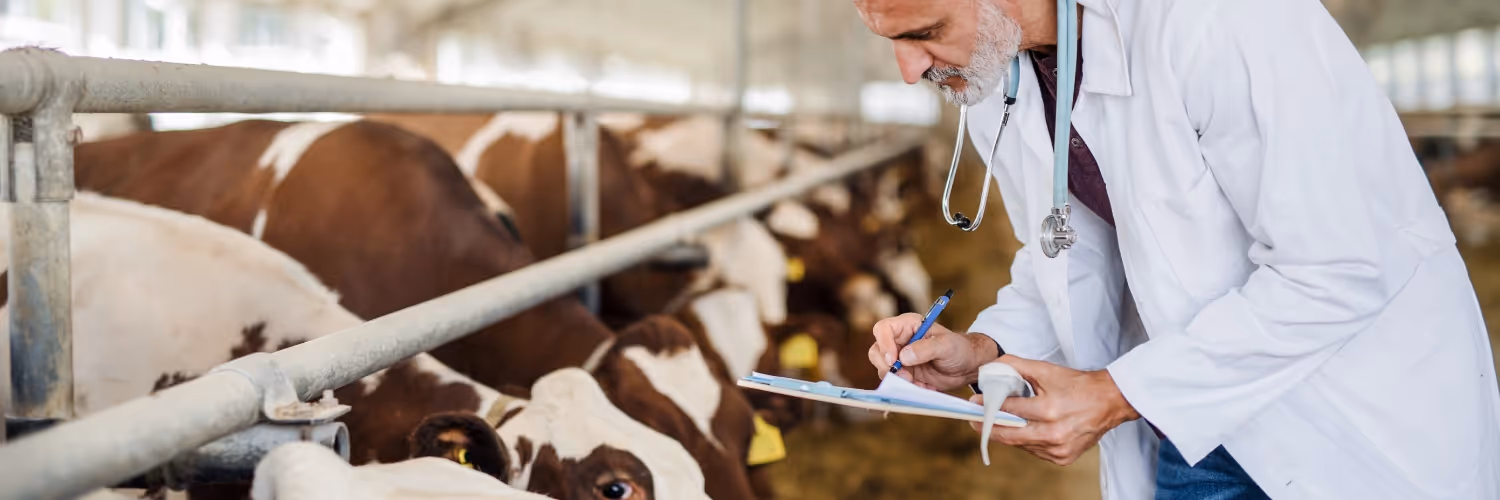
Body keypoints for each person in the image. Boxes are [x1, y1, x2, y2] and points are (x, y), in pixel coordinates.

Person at [853, 0, 1500, 498]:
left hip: (1346, 421)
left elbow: (1334, 268)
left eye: (924, 33)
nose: (909, 71)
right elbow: (1066, 254)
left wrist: (1114, 393)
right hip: (1192, 429)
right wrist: (981, 351)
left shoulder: (1218, 20)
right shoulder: (1015, 68)